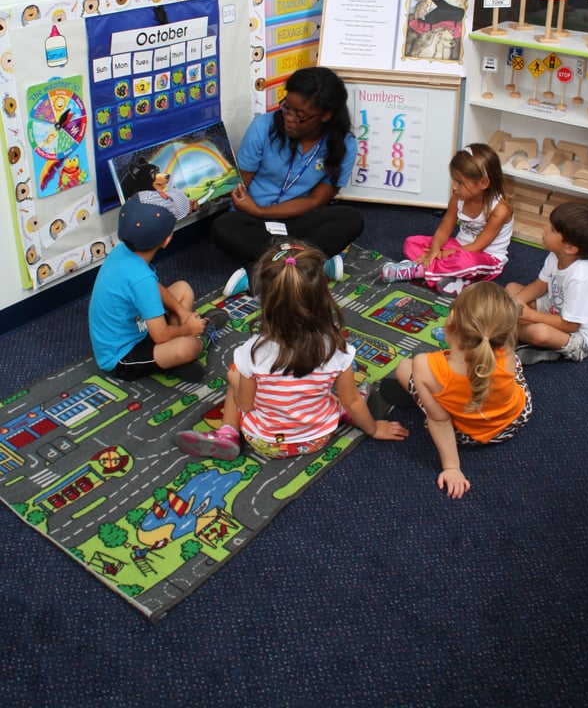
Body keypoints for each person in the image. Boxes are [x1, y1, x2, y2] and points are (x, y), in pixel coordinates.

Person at [176, 242, 409, 460]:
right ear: (322, 297)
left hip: (265, 441)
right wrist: (374, 428)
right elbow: (353, 400)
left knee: (235, 381)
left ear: (265, 301)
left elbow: (246, 405)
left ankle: (227, 433)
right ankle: (341, 414)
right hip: (316, 438)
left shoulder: (251, 353)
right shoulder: (337, 349)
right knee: (339, 394)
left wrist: (236, 382)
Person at [210, 66, 364, 296]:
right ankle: (311, 262)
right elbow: (239, 186)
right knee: (222, 227)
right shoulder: (263, 127)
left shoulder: (344, 145)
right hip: (252, 221)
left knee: (351, 218)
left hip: (297, 219)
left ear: (326, 115)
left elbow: (315, 201)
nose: (289, 118)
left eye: (299, 116)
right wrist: (252, 210)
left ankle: (262, 271)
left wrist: (263, 210)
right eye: (286, 107)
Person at [380, 282, 531, 498]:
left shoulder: (425, 364)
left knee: (405, 367)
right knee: (513, 368)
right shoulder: (506, 349)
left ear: (450, 322)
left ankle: (427, 393)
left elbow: (440, 420)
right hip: (515, 419)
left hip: (466, 434)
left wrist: (452, 467)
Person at [88, 191, 221, 382]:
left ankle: (172, 358)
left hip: (138, 325)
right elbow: (160, 335)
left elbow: (152, 289)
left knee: (183, 289)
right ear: (167, 240)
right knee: (188, 347)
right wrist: (188, 329)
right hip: (122, 355)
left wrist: (182, 313)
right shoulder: (141, 279)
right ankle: (201, 339)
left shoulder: (122, 251)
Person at [382, 143, 513, 296]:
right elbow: (444, 230)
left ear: (483, 183)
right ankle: (450, 277)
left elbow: (477, 246)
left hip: (487, 257)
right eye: (454, 180)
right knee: (412, 242)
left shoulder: (500, 210)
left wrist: (444, 254)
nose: (454, 186)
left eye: (460, 182)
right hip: (459, 246)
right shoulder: (457, 198)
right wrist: (435, 249)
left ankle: (419, 270)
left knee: (465, 262)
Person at [505, 202, 588, 365]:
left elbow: (570, 325)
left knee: (539, 333)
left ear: (570, 248)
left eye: (552, 229)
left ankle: (507, 332)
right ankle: (512, 327)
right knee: (512, 289)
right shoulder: (556, 256)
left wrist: (527, 314)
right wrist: (516, 304)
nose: (545, 228)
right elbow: (539, 286)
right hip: (559, 309)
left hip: (580, 335)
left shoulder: (582, 279)